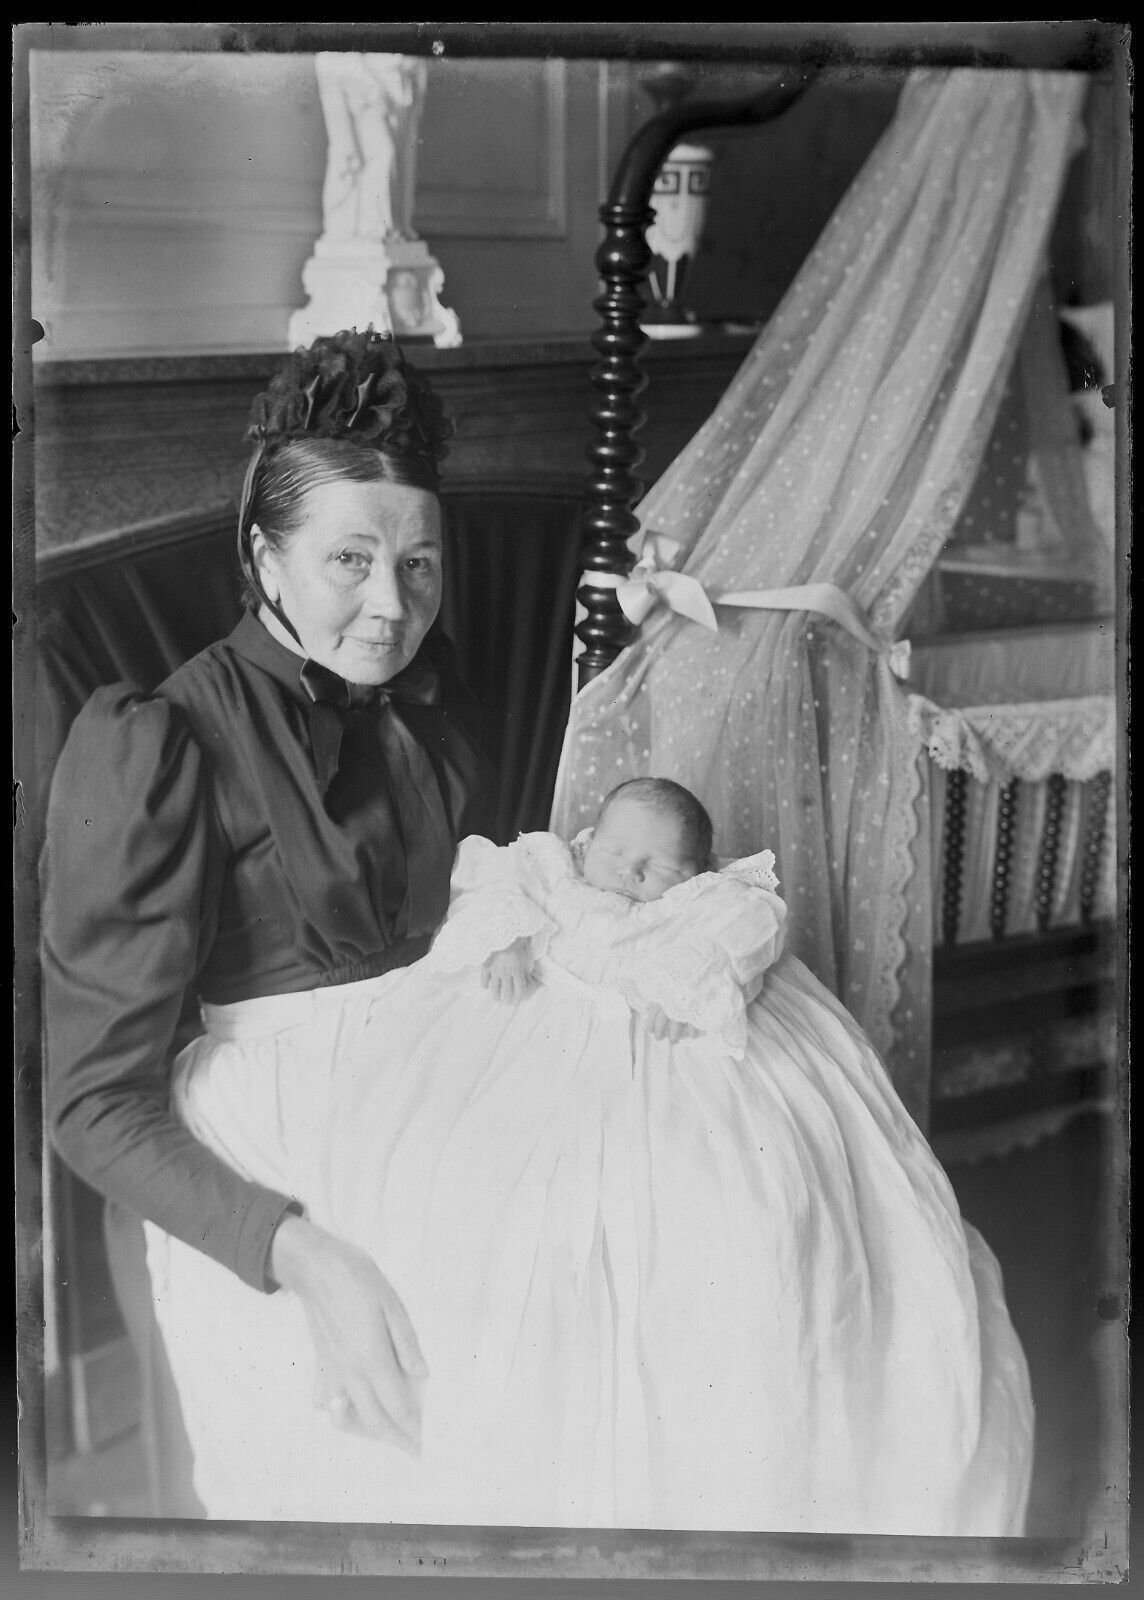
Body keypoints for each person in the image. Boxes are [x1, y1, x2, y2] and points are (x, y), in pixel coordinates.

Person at [169, 777, 1036, 1533]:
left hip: (662, 1061)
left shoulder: (710, 903)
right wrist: (507, 939)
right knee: (477, 1181)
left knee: (724, 1200)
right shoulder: (554, 869)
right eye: (615, 852)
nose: (625, 874)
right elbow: (491, 880)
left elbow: (745, 931)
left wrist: (691, 982)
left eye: (653, 867)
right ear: (587, 840)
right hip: (536, 1029)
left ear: (692, 875)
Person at [41, 328, 495, 1516]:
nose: (391, 609)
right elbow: (90, 1104)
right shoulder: (159, 745)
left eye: (419, 566)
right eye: (350, 560)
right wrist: (305, 1257)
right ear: (264, 556)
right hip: (269, 1182)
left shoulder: (425, 706)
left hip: (435, 1121)